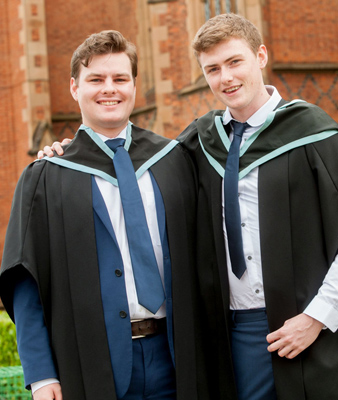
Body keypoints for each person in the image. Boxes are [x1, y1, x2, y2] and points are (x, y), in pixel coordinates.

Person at [38, 14, 338, 400]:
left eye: (234, 62)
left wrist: (317, 315)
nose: (225, 78)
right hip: (233, 333)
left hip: (311, 328)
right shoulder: (201, 142)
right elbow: (134, 164)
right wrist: (67, 151)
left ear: (260, 56)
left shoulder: (309, 132)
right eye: (212, 69)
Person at [0, 30, 206, 400]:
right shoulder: (46, 177)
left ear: (134, 86)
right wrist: (42, 374)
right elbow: (25, 281)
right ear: (75, 88)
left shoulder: (174, 161)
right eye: (96, 79)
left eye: (119, 79)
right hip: (89, 361)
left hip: (177, 357)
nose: (108, 89)